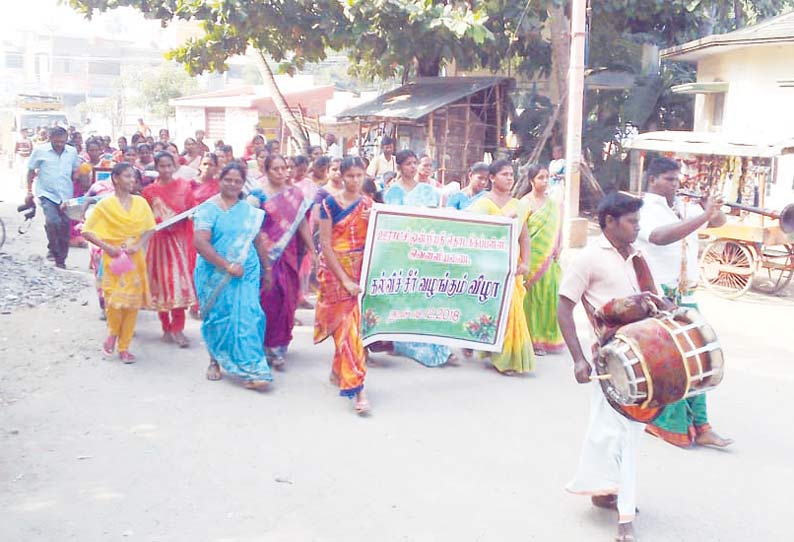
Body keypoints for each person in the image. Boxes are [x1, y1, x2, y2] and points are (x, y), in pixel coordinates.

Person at [557, 191, 657, 542]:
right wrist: (578, 359)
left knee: (612, 432)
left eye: (638, 221)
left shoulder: (638, 256)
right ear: (610, 222)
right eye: (631, 221)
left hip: (644, 357)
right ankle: (625, 518)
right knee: (622, 435)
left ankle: (604, 491)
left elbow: (653, 300)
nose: (637, 227)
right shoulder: (587, 259)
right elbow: (563, 307)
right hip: (611, 360)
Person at [635, 157, 733, 449]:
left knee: (699, 358)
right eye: (669, 179)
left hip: (687, 295)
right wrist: (702, 216)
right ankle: (673, 423)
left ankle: (700, 424)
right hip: (661, 296)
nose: (675, 185)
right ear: (652, 179)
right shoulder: (643, 209)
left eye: (678, 180)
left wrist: (711, 209)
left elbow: (719, 222)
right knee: (676, 363)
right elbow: (659, 237)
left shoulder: (684, 206)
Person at [194, 163, 272, 390]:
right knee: (218, 318)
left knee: (249, 316)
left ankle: (253, 369)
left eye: (237, 181)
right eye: (228, 180)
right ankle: (214, 360)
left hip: (245, 272)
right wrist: (226, 265)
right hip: (214, 272)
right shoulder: (208, 209)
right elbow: (200, 242)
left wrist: (267, 269)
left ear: (242, 183)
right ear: (220, 180)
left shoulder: (248, 211)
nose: (232, 185)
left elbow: (258, 241)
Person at [383, 149, 455, 367]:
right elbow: (390, 221)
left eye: (415, 163)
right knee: (406, 296)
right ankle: (404, 342)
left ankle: (439, 347)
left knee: (428, 297)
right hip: (402, 251)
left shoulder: (428, 190)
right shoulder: (393, 192)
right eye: (408, 164)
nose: (412, 167)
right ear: (399, 167)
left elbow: (436, 218)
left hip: (425, 250)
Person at [82, 162, 156, 363]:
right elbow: (87, 231)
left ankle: (124, 347)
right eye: (127, 176)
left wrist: (138, 244)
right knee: (114, 301)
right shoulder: (105, 204)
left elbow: (150, 228)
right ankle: (112, 333)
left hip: (134, 257)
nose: (132, 180)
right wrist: (107, 247)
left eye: (133, 177)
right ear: (115, 178)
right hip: (113, 258)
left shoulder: (140, 203)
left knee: (131, 304)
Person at [315, 157, 372, 413]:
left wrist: (374, 220)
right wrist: (345, 279)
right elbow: (325, 245)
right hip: (335, 274)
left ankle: (357, 387)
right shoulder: (328, 204)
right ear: (342, 177)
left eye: (360, 175)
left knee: (352, 332)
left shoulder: (370, 205)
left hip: (359, 273)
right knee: (343, 328)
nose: (355, 181)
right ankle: (343, 370)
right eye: (350, 176)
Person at [247, 155, 313, 369]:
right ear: (266, 170)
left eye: (283, 168)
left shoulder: (295, 194)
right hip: (263, 254)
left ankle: (278, 347)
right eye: (274, 168)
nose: (280, 172)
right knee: (266, 299)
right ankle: (261, 346)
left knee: (287, 299)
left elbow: (302, 224)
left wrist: (313, 250)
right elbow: (250, 225)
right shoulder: (257, 194)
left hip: (288, 254)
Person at [469, 160, 534, 374]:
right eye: (504, 174)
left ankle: (508, 358)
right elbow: (474, 234)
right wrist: (502, 219)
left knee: (512, 310)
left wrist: (525, 262)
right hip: (488, 267)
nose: (509, 178)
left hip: (511, 267)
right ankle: (488, 349)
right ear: (492, 178)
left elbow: (524, 237)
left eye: (511, 174)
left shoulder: (519, 205)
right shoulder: (481, 204)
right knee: (492, 310)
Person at [142, 151, 199, 348]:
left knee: (178, 284)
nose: (166, 170)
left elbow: (193, 210)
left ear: (175, 167)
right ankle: (165, 326)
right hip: (158, 243)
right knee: (160, 285)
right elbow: (145, 217)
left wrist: (185, 219)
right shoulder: (149, 191)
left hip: (178, 242)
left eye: (169, 166)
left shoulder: (184, 187)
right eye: (162, 166)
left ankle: (178, 328)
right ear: (156, 167)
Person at [515, 164, 564, 356]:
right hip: (530, 258)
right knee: (531, 299)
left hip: (549, 259)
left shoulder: (554, 204)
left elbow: (558, 229)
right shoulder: (523, 203)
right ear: (531, 181)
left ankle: (547, 337)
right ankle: (532, 339)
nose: (545, 181)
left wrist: (559, 247)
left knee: (549, 297)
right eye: (541, 178)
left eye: (547, 177)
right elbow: (520, 232)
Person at [26, 126, 81, 268]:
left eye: (62, 142)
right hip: (47, 194)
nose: (59, 145)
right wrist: (28, 192)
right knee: (53, 221)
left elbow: (75, 170)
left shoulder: (72, 152)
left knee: (64, 227)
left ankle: (61, 259)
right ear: (50, 139)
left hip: (66, 195)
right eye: (56, 142)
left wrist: (77, 178)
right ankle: (55, 252)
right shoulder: (40, 151)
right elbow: (31, 171)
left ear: (66, 140)